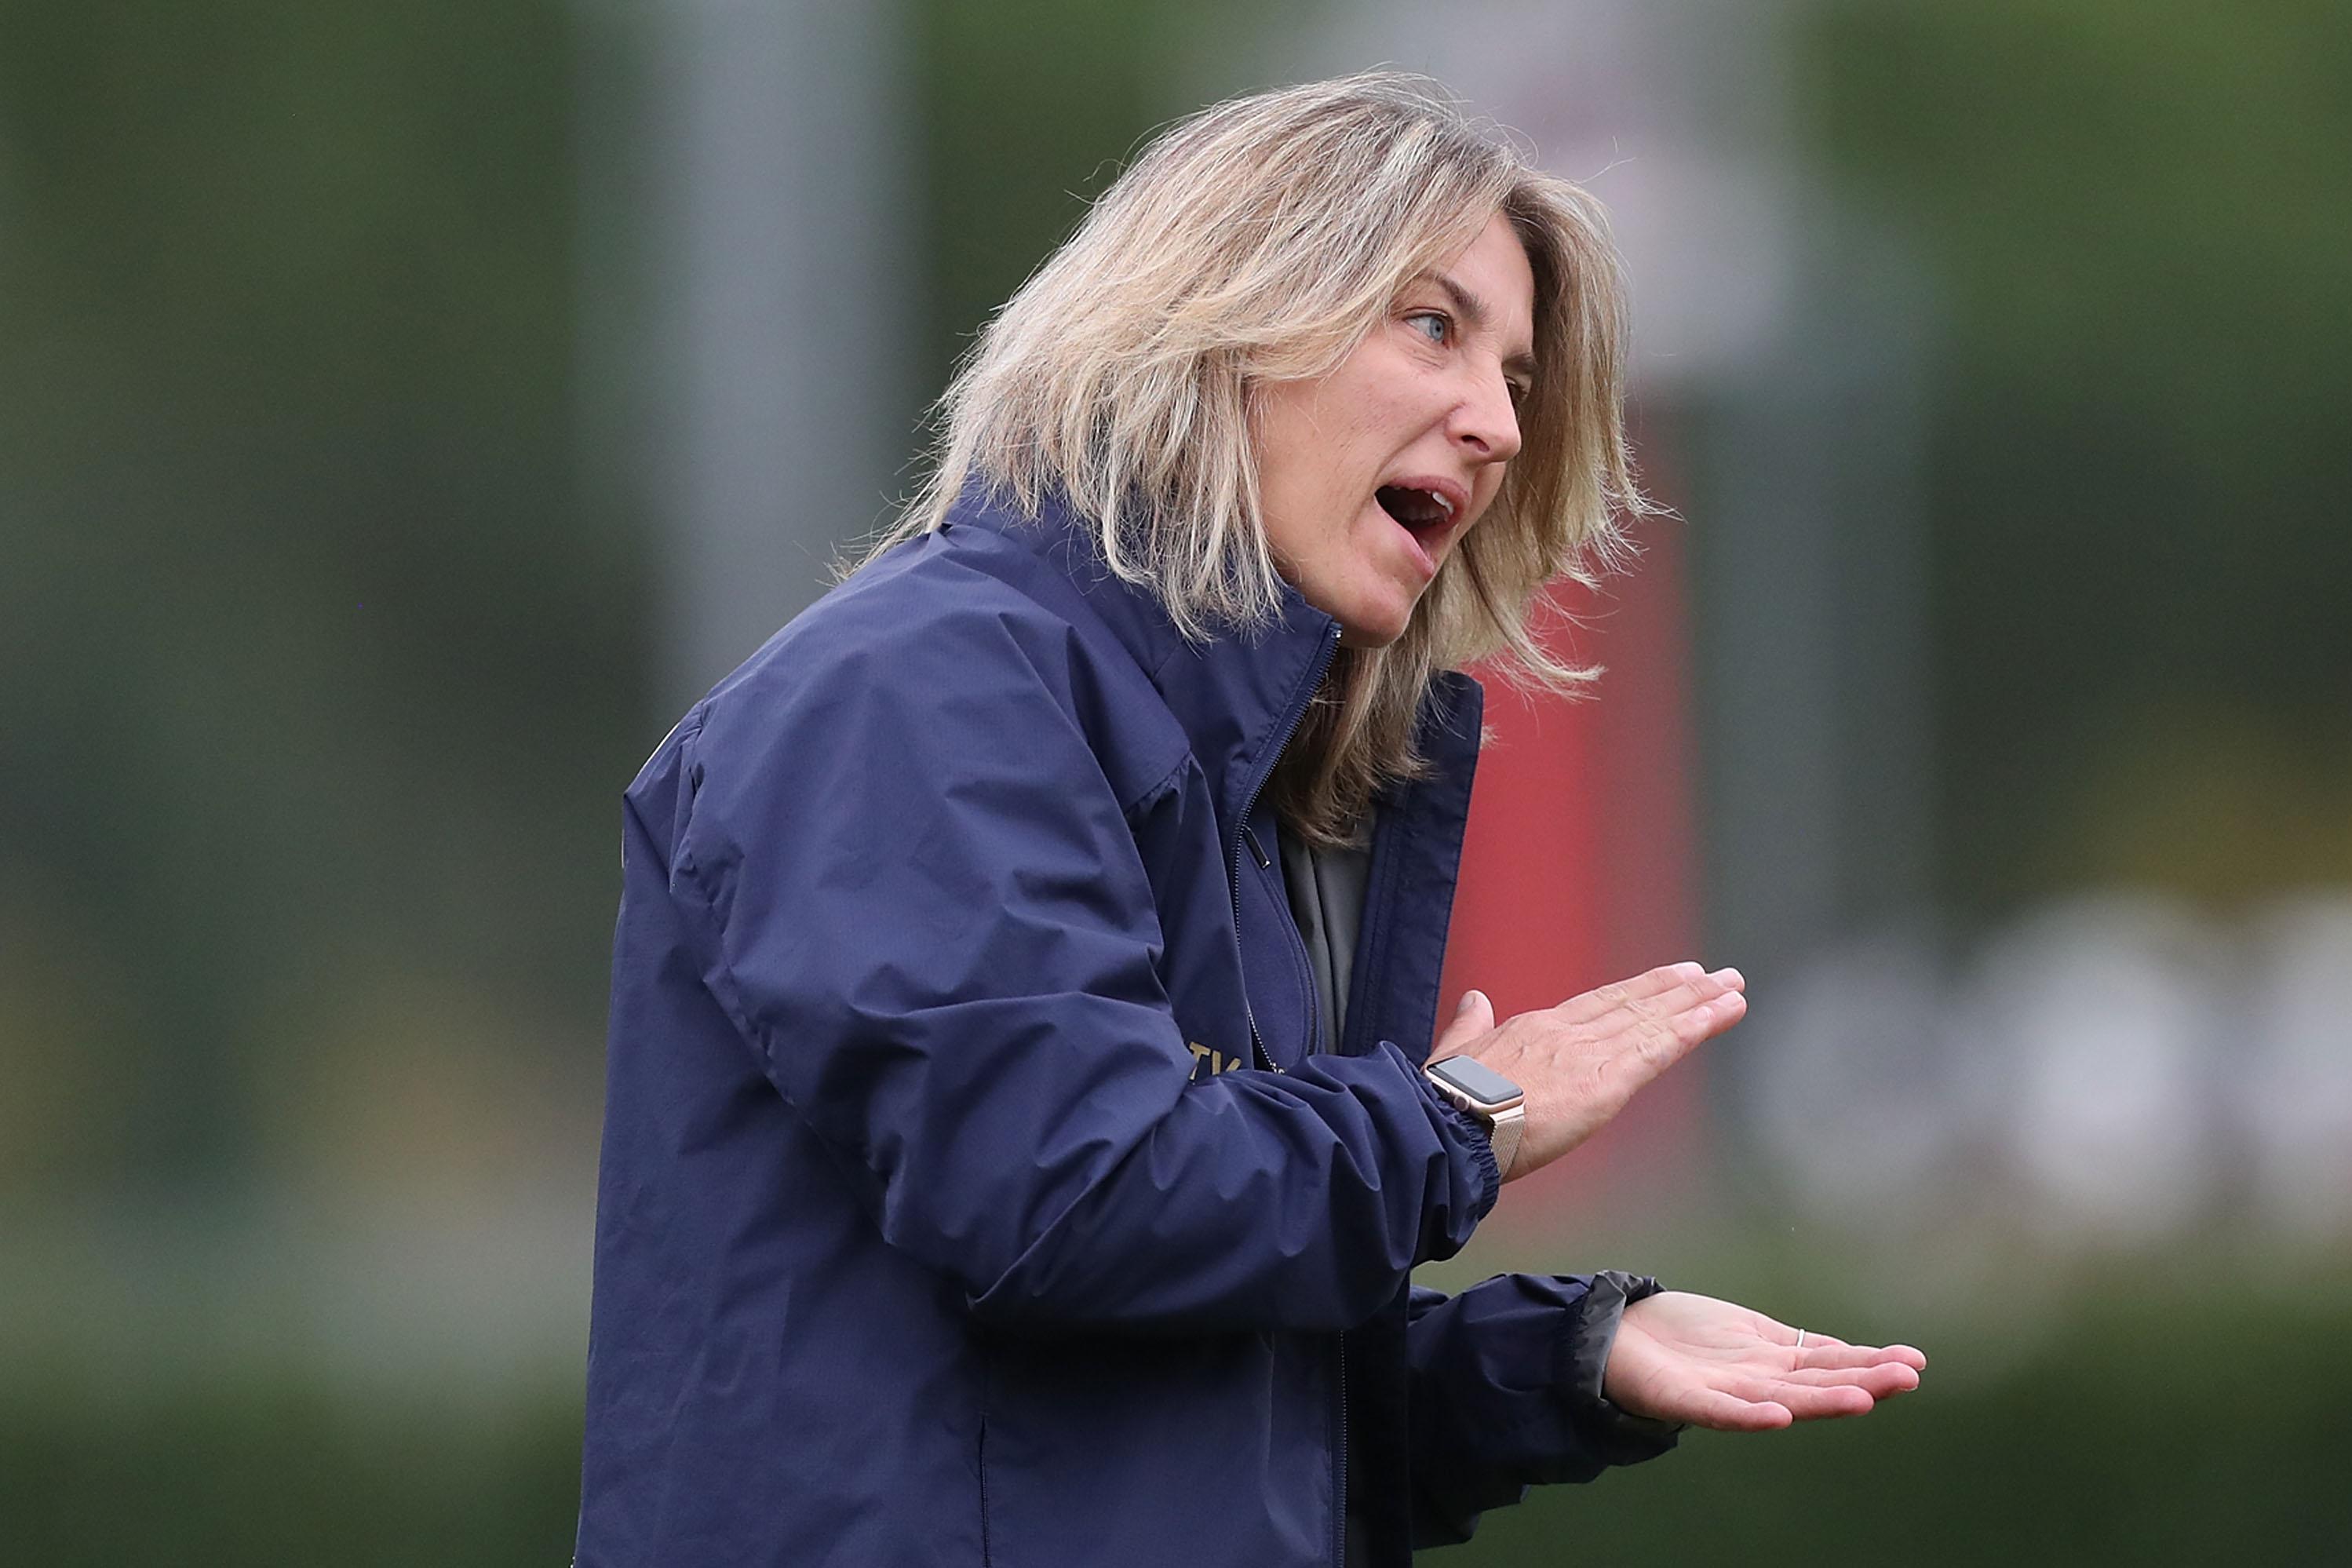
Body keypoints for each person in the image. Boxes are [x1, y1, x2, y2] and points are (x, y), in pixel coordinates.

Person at [574, 71, 1924, 1568]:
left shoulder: (1244, 778)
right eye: (1432, 324)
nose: (1491, 423)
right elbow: (1071, 1198)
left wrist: (1565, 1355)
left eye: (1519, 378)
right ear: (1224, 320)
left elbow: (1210, 1422)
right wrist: (1467, 1117)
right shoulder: (918, 691)